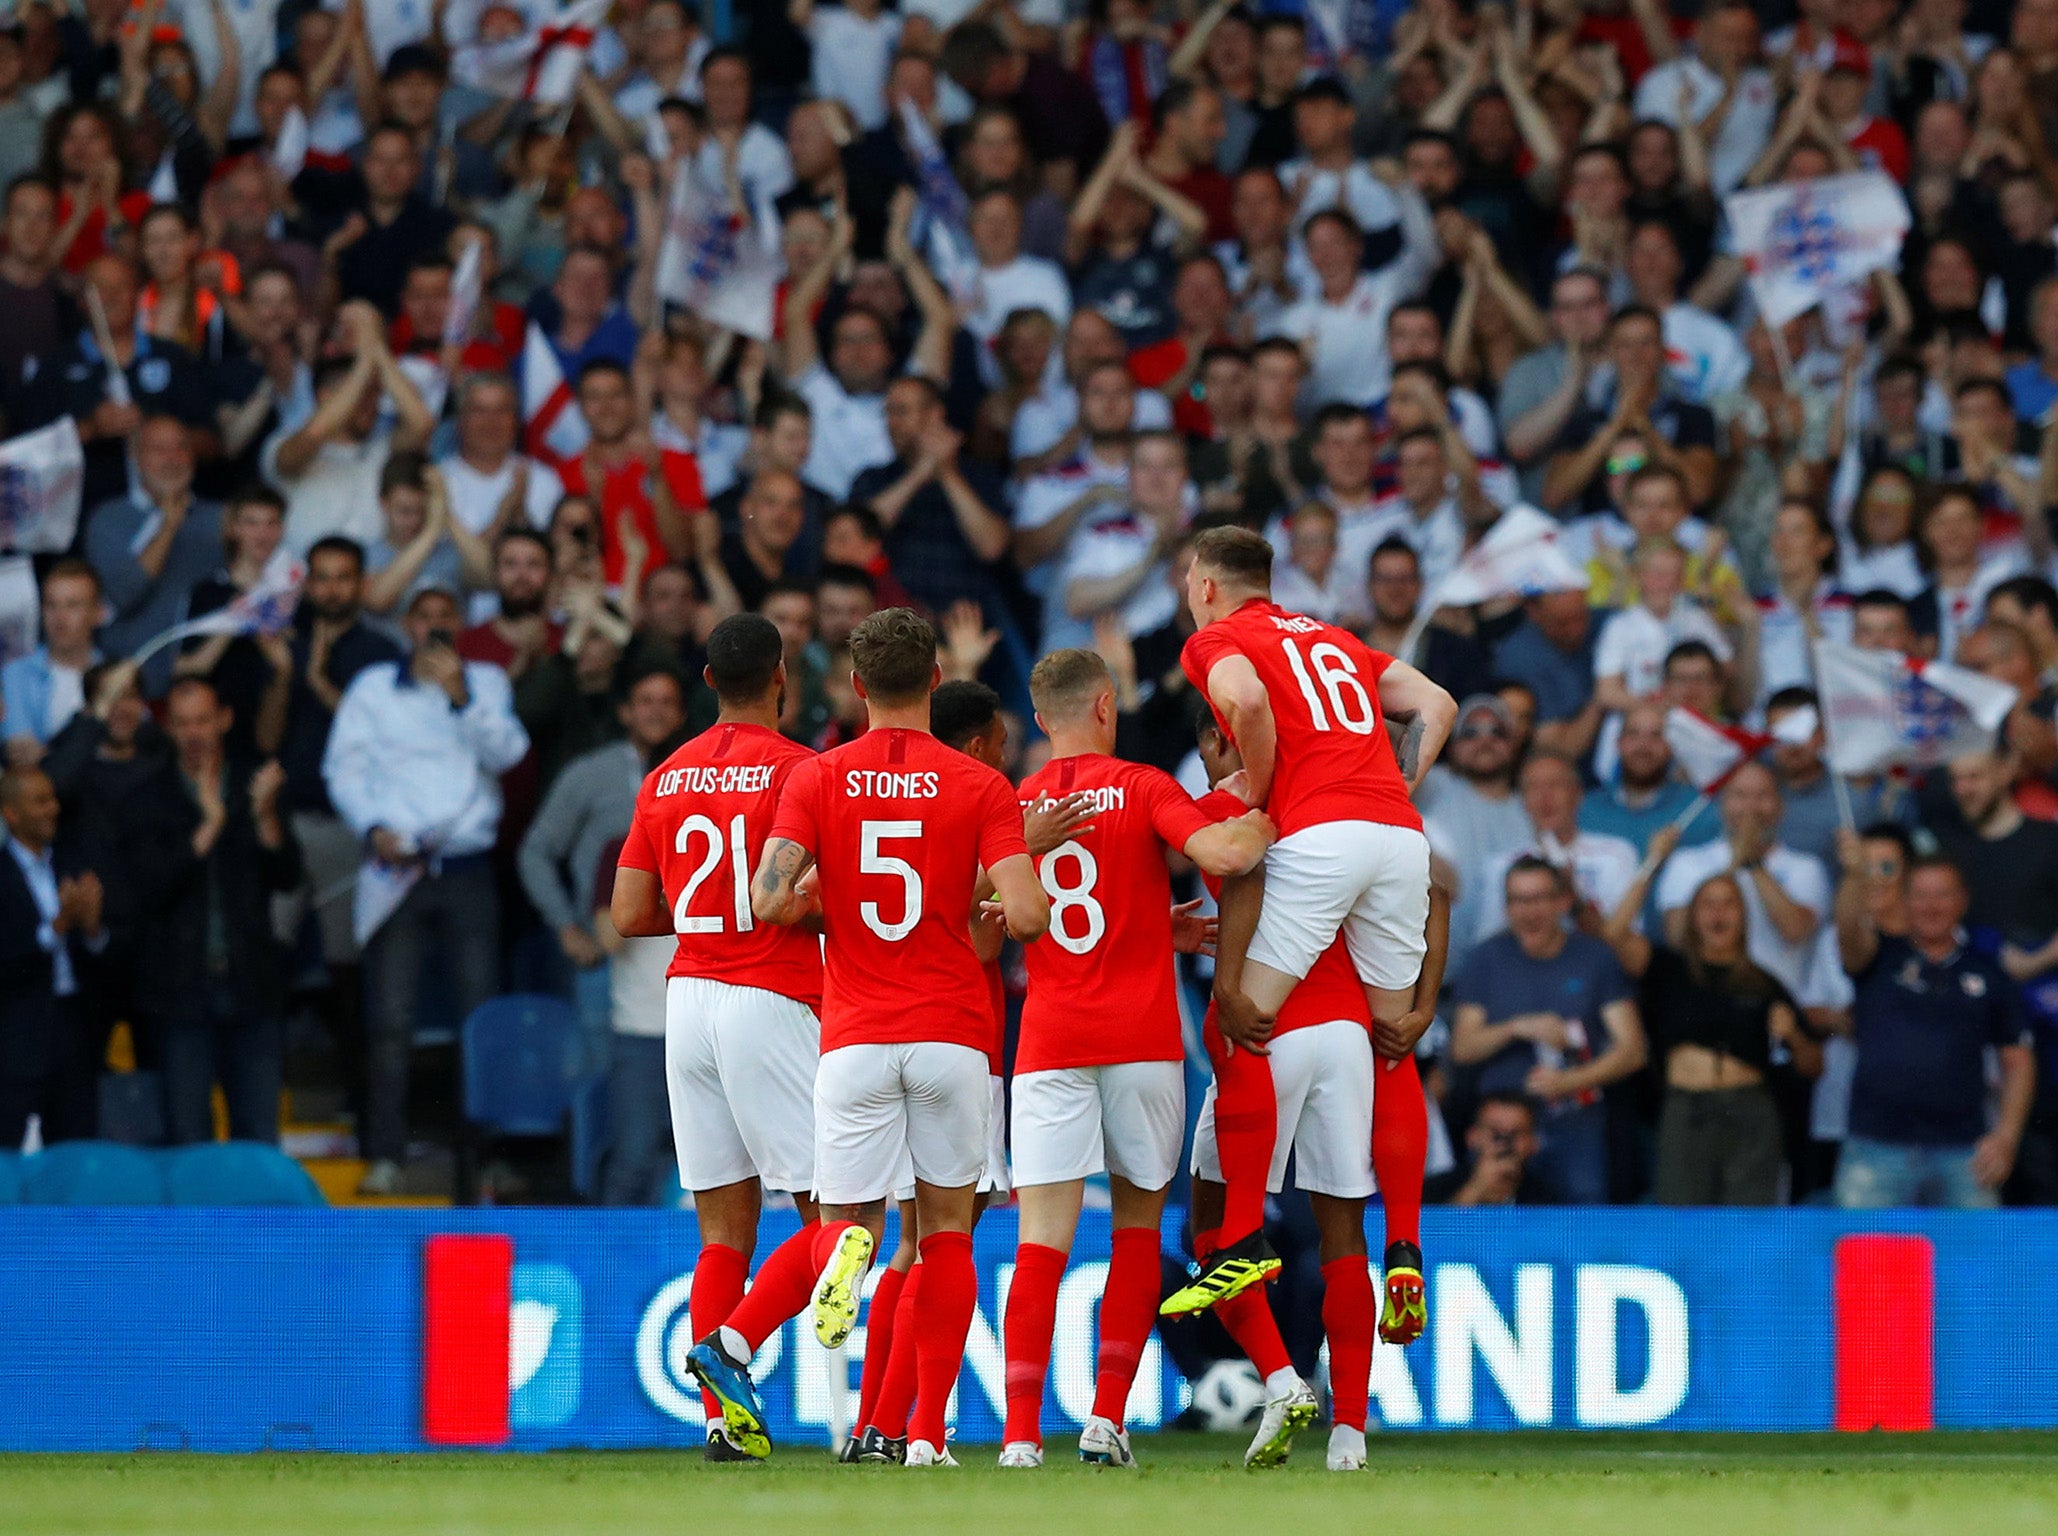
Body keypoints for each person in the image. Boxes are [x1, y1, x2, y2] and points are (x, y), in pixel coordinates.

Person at [692, 608, 1050, 1469]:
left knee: (846, 1220)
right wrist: (978, 903)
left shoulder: (817, 780)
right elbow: (1032, 915)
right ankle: (913, 1432)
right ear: (934, 679)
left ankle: (759, 1325)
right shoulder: (981, 788)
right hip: (952, 1037)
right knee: (948, 1234)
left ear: (855, 687)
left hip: (852, 1037)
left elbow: (770, 901)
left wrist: (836, 901)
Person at [999, 648, 1272, 1471]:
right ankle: (1105, 1420)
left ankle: (1018, 1437)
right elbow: (1221, 856)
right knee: (1134, 1234)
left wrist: (1156, 918)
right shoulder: (1147, 785)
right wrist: (1261, 811)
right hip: (1141, 1043)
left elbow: (993, 908)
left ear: (1043, 721)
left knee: (1040, 1245)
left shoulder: (1011, 802)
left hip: (1048, 1042)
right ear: (1108, 707)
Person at [1172, 525, 1455, 1308]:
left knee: (1241, 1020)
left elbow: (1246, 698)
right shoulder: (1334, 639)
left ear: (1204, 586)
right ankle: (1404, 1246)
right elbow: (1437, 702)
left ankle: (1240, 1238)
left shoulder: (1221, 637)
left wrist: (1263, 792)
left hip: (1319, 838)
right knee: (1392, 1038)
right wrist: (1396, 792)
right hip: (1397, 836)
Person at [609, 616, 826, 1456]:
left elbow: (629, 914)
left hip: (687, 999)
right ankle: (732, 1346)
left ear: (706, 678)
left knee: (722, 1233)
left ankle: (721, 1426)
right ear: (783, 678)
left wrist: (705, 914)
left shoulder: (663, 776)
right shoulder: (800, 770)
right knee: (837, 1220)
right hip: (769, 993)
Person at [321, 586, 529, 1196]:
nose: (435, 628)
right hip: (396, 871)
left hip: (465, 867)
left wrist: (461, 695)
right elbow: (343, 768)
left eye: (446, 617)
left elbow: (510, 753)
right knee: (389, 1020)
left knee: (479, 1018)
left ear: (460, 624)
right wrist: (371, 827)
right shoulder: (372, 689)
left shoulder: (485, 681)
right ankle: (385, 1154)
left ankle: (482, 1161)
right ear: (406, 625)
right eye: (425, 618)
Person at [127, 678, 301, 1145]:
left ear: (224, 719)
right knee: (189, 1136)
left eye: (203, 720)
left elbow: (287, 876)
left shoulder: (253, 782)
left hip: (252, 986)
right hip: (179, 991)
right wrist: (208, 828)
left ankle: (260, 1223)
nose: (194, 733)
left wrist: (265, 817)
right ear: (167, 728)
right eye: (182, 723)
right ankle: (196, 1225)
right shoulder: (148, 791)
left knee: (259, 1134)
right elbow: (149, 890)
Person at [1603, 835, 1818, 1205]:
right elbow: (1612, 937)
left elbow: (1813, 1065)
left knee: (1748, 1231)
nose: (1718, 913)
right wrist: (1652, 863)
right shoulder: (1667, 968)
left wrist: (1794, 1036)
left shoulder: (1764, 983)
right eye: (1707, 904)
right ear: (1692, 916)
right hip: (1685, 1110)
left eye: (1729, 904)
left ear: (1743, 916)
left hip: (1750, 1111)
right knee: (1682, 1228)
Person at [1833, 851, 2036, 1209]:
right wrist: (1853, 877)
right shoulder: (1877, 957)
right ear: (1905, 900)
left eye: (1942, 894)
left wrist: (2006, 1138)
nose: (1931, 905)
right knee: (1869, 1263)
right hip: (1876, 1147)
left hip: (1963, 1153)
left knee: (1973, 1263)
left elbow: (2018, 1061)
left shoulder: (1989, 972)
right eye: (1921, 895)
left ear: (1962, 900)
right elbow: (1849, 931)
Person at [1448, 857, 1648, 1204]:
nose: (1528, 911)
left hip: (1574, 1122)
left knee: (1578, 1227)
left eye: (1539, 898)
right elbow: (1463, 1047)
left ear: (1563, 901)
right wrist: (1517, 1027)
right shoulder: (1486, 958)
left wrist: (1570, 1081)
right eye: (1518, 900)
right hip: (1501, 1127)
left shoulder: (1594, 957)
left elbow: (1632, 1049)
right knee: (1486, 1225)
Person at [519, 669, 688, 1078]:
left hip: (677, 951)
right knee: (597, 1070)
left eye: (667, 702)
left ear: (682, 715)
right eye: (646, 701)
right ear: (625, 712)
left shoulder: (697, 773)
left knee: (675, 1071)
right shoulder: (589, 773)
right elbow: (536, 851)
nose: (656, 711)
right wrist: (565, 927)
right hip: (603, 946)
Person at [0, 765, 108, 1146]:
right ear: (10, 813)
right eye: (39, 801)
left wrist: (92, 928)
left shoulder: (71, 862)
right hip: (15, 1042)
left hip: (73, 1030)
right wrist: (59, 925)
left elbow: (100, 959)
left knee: (76, 1154)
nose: (52, 808)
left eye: (53, 798)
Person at [2, 561, 102, 766]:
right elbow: (21, 752)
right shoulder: (14, 674)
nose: (60, 618)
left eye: (72, 605)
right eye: (51, 604)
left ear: (97, 613)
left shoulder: (115, 674)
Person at [1423, 1091, 1555, 1205]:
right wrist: (1474, 1191)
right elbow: (1427, 1232)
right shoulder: (1435, 1189)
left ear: (1532, 1142)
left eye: (1516, 1133)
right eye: (1495, 1132)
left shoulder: (1548, 1200)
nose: (1504, 1143)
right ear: (1472, 1136)